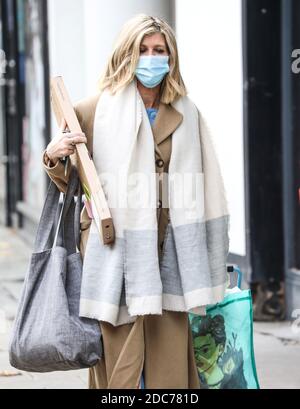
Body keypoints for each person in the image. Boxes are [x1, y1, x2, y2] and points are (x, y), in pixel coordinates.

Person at [42, 14, 230, 389]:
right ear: (126, 54)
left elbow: (207, 186)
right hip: (116, 255)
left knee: (169, 368)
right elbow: (73, 181)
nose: (150, 58)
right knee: (120, 371)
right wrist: (54, 154)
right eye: (142, 50)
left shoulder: (186, 113)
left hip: (171, 255)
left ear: (170, 57)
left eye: (159, 50)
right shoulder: (94, 109)